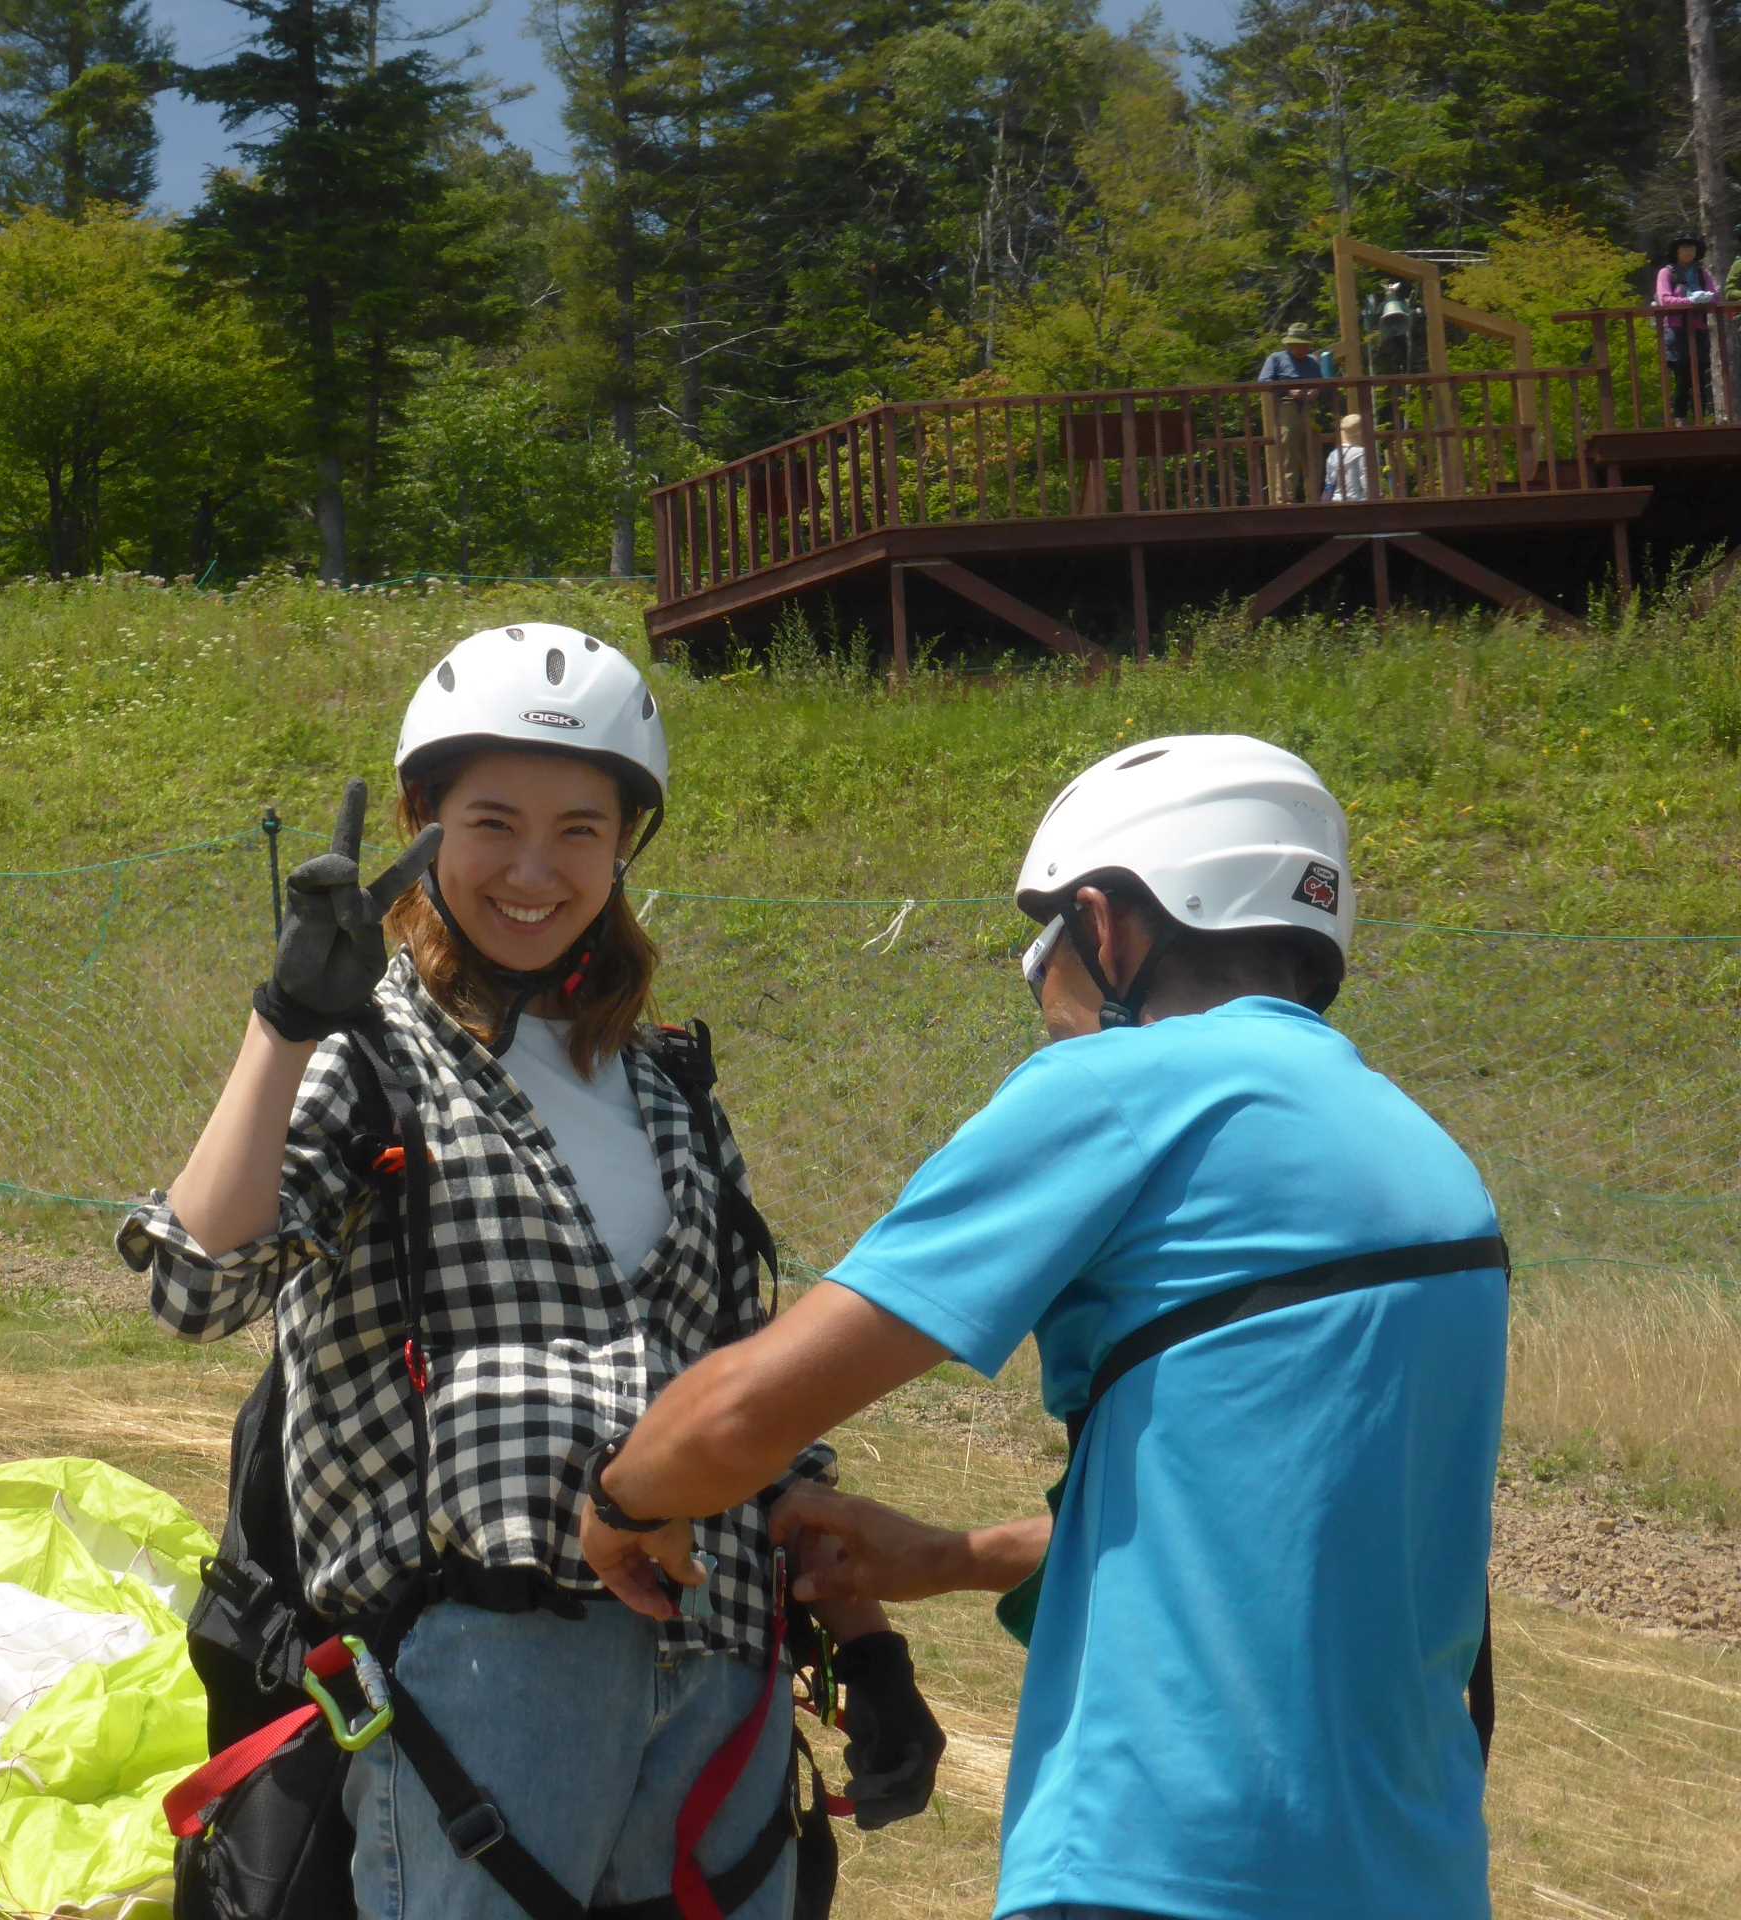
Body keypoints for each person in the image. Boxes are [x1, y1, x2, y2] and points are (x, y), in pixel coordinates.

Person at [576, 734, 1510, 1920]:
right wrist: (947, 1560)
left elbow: (750, 1405)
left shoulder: (1125, 1092)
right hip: (1410, 1865)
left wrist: (621, 1505)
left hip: (1161, 1855)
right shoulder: (1430, 1163)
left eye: (1046, 941)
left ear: (1107, 924)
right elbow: (1284, 1514)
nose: (1041, 982)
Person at [122, 623, 886, 1920]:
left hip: (717, 1672)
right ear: (423, 819)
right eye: (493, 823)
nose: (535, 871)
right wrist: (286, 1025)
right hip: (479, 1667)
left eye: (581, 829)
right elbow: (200, 1284)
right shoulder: (375, 1054)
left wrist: (867, 1647)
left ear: (625, 844)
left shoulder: (670, 1083)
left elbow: (737, 1374)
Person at [1256, 322, 1332, 502]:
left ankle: (1313, 499)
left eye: (1305, 345)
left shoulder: (1312, 362)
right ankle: (1285, 499)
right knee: (1288, 452)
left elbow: (1320, 383)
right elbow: (1264, 381)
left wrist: (1315, 391)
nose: (1302, 348)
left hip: (1308, 408)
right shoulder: (1276, 358)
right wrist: (1289, 390)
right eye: (1298, 344)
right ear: (1290, 344)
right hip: (1287, 406)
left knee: (1313, 455)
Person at [1657, 235, 1722, 424]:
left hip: (1698, 329)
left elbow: (1716, 295)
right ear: (1676, 251)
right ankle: (1680, 419)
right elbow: (1664, 299)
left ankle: (1701, 419)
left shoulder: (1702, 273)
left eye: (1692, 248)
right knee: (1682, 376)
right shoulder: (1667, 273)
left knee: (1700, 377)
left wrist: (1705, 298)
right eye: (1685, 248)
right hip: (1677, 331)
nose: (1689, 251)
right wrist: (1689, 301)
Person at [1323, 412, 1376, 502]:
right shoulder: (1362, 453)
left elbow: (1329, 482)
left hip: (1335, 502)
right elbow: (1366, 481)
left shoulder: (1333, 454)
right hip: (1357, 502)